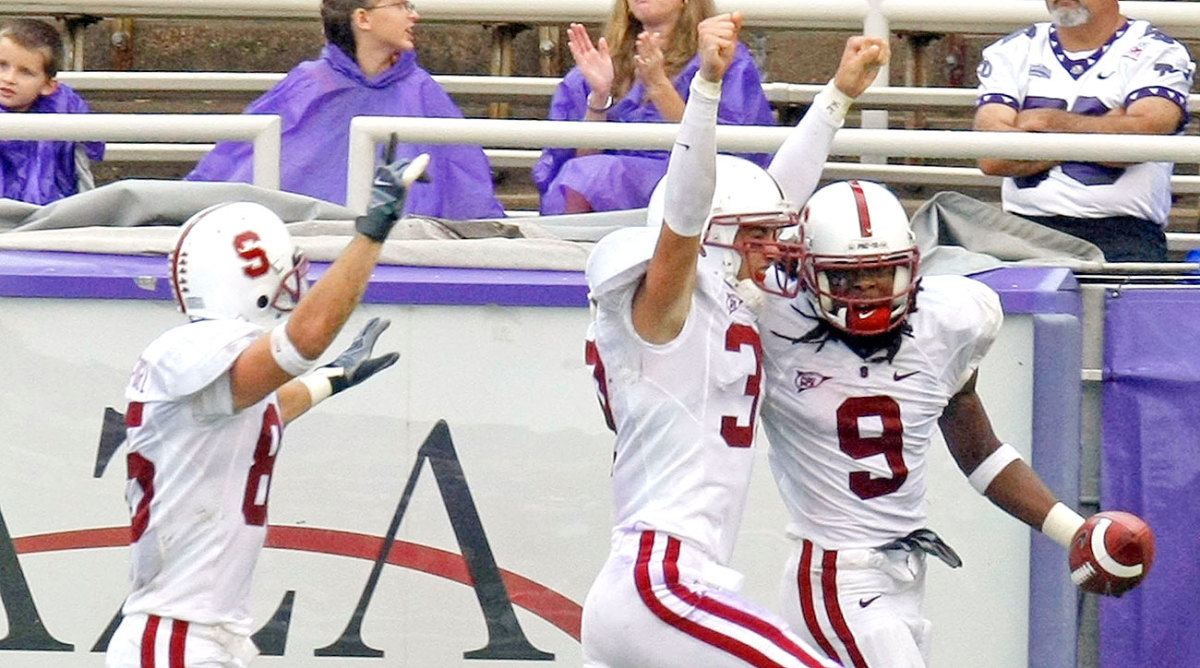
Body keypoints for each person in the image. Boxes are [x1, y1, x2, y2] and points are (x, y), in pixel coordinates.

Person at [581, 12, 888, 666]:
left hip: (672, 581)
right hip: (662, 581)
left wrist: (837, 97)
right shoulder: (668, 304)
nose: (771, 252)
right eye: (754, 239)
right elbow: (690, 214)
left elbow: (776, 192)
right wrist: (706, 91)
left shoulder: (721, 297)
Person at [754, 177, 1144, 667]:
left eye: (882, 273)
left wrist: (1073, 530)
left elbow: (979, 450)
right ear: (808, 276)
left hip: (903, 571)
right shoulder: (772, 323)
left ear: (912, 267)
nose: (867, 291)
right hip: (837, 573)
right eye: (846, 277)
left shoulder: (949, 318)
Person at [104, 155, 428, 667]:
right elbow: (305, 340)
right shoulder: (188, 352)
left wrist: (332, 379)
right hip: (175, 638)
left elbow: (270, 404)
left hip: (206, 635)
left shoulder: (211, 381)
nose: (295, 284)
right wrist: (371, 232)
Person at [187, 0, 504, 220]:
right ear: (363, 19)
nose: (414, 16)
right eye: (400, 6)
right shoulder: (307, 86)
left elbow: (467, 189)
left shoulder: (423, 92)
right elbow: (233, 165)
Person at [973, 0, 1195, 262]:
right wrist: (1103, 128)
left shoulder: (1157, 50)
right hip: (1023, 232)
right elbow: (991, 157)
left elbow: (1141, 139)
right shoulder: (1011, 50)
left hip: (1123, 235)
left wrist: (1046, 123)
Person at [533, 0, 774, 215]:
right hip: (608, 189)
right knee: (583, 174)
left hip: (690, 185)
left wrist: (658, 86)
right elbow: (573, 165)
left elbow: (727, 154)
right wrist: (599, 97)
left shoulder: (722, 58)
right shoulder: (604, 61)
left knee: (595, 174)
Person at [0, 18, 103, 205]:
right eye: (1, 65)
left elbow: (93, 149)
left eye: (26, 72)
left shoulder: (67, 112)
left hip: (44, 219)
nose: (9, 78)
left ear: (48, 86)